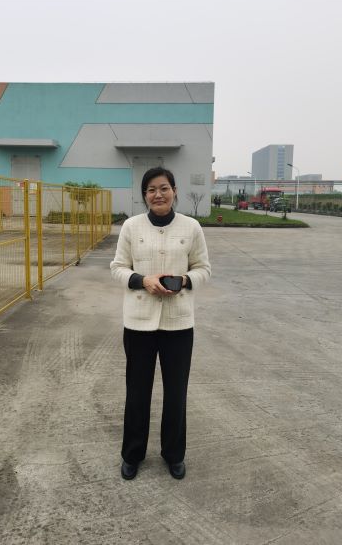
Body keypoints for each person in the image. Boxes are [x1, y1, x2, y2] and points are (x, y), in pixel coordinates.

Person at [110, 167, 211, 480]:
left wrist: (185, 280)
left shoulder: (191, 227)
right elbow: (117, 267)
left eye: (164, 188)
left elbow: (204, 268)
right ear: (144, 195)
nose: (158, 194)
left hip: (178, 324)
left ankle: (173, 454)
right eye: (151, 189)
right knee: (137, 393)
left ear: (175, 191)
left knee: (176, 394)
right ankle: (132, 454)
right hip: (138, 324)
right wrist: (142, 280)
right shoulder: (131, 226)